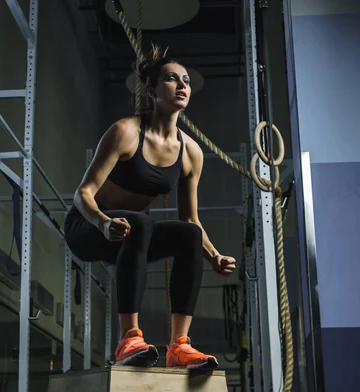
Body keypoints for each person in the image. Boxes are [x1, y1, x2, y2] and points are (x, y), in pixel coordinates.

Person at [64, 44, 237, 370]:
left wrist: (214, 255)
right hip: (87, 227)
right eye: (172, 79)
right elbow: (82, 194)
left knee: (186, 235)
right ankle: (129, 339)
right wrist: (102, 223)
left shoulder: (191, 153)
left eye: (186, 80)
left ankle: (179, 346)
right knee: (140, 224)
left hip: (130, 237)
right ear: (152, 91)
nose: (183, 85)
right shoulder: (125, 132)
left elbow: (191, 219)